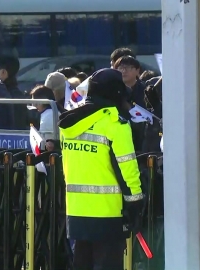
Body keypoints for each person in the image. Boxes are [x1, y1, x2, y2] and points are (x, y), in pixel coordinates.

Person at [58, 68, 145, 269]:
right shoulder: (115, 123)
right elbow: (127, 169)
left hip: (77, 211)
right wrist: (135, 203)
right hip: (108, 212)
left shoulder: (70, 124)